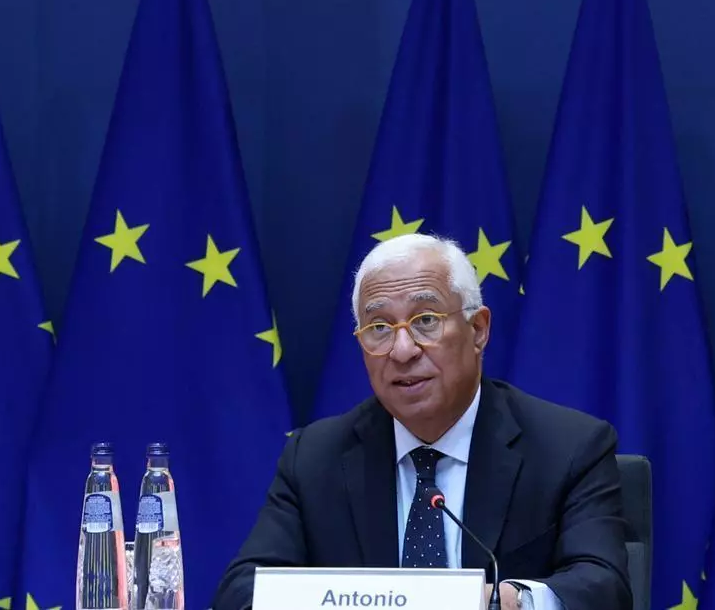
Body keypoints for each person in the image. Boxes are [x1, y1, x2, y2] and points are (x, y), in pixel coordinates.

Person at [213, 233, 631, 610]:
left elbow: (603, 588)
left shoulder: (568, 447)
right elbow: (241, 591)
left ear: (478, 329)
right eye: (379, 327)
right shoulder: (314, 457)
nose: (402, 350)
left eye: (426, 321)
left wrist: (506, 601)